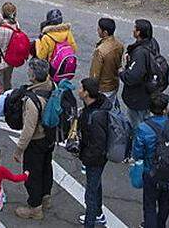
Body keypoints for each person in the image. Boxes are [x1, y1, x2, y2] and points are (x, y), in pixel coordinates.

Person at [132, 92, 169, 228]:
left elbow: (137, 153)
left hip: (151, 172)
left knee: (149, 205)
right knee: (165, 201)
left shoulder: (143, 128)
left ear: (150, 110)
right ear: (165, 109)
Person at [12, 57, 57, 220]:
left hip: (36, 140)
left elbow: (28, 129)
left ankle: (35, 207)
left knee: (32, 174)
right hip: (50, 137)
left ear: (32, 76)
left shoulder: (32, 100)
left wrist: (19, 149)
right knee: (46, 167)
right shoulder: (52, 86)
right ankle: (46, 197)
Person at [77, 77, 112, 227]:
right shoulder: (98, 107)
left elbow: (97, 144)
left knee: (90, 193)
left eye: (81, 88)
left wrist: (85, 157)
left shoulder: (95, 116)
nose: (78, 91)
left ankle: (90, 222)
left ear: (86, 93)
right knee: (96, 185)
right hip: (97, 157)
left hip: (94, 158)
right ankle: (98, 213)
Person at [120, 18, 161, 135]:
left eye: (134, 28)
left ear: (138, 32)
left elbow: (132, 77)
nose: (133, 30)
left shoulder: (140, 53)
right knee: (145, 120)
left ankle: (138, 147)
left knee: (138, 126)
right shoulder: (152, 43)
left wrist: (122, 71)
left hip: (138, 97)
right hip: (148, 92)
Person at [90, 17, 123, 100]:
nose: (97, 30)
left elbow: (95, 74)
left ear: (105, 32)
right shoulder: (119, 45)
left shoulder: (100, 51)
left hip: (103, 87)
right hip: (114, 84)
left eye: (99, 29)